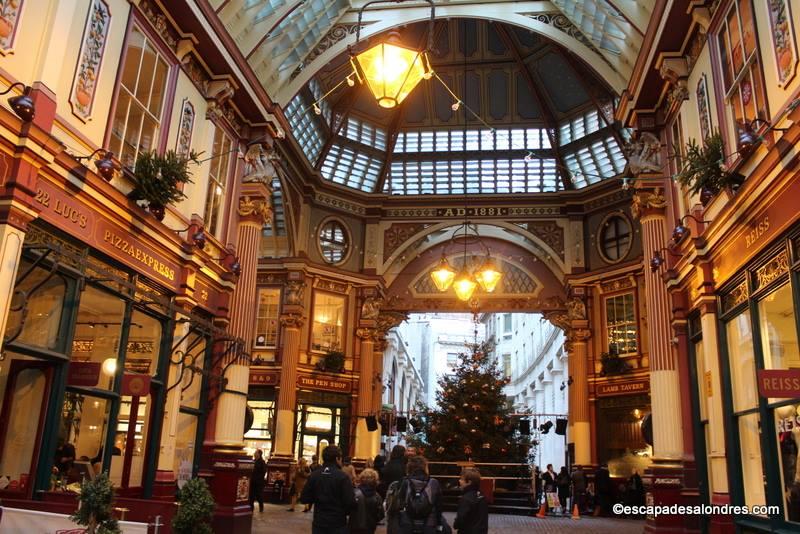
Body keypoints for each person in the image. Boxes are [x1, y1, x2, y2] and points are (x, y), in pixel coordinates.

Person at [300, 445, 356, 534]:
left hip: (319, 523)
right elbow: (350, 502)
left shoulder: (315, 475)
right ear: (337, 458)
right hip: (337, 523)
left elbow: (304, 498)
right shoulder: (343, 477)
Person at [396, 455, 444, 534]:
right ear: (425, 467)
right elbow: (439, 505)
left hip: (408, 522)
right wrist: (439, 524)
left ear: (409, 467)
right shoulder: (433, 482)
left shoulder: (405, 482)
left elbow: (399, 504)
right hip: (429, 522)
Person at [453, 468, 488, 534]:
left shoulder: (466, 499)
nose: (459, 481)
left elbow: (461, 519)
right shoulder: (482, 496)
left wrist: (455, 524)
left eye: (461, 479)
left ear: (469, 482)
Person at [350, 468, 384, 534]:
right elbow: (381, 515)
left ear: (361, 479)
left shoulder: (355, 493)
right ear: (375, 480)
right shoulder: (377, 497)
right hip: (370, 528)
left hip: (355, 527)